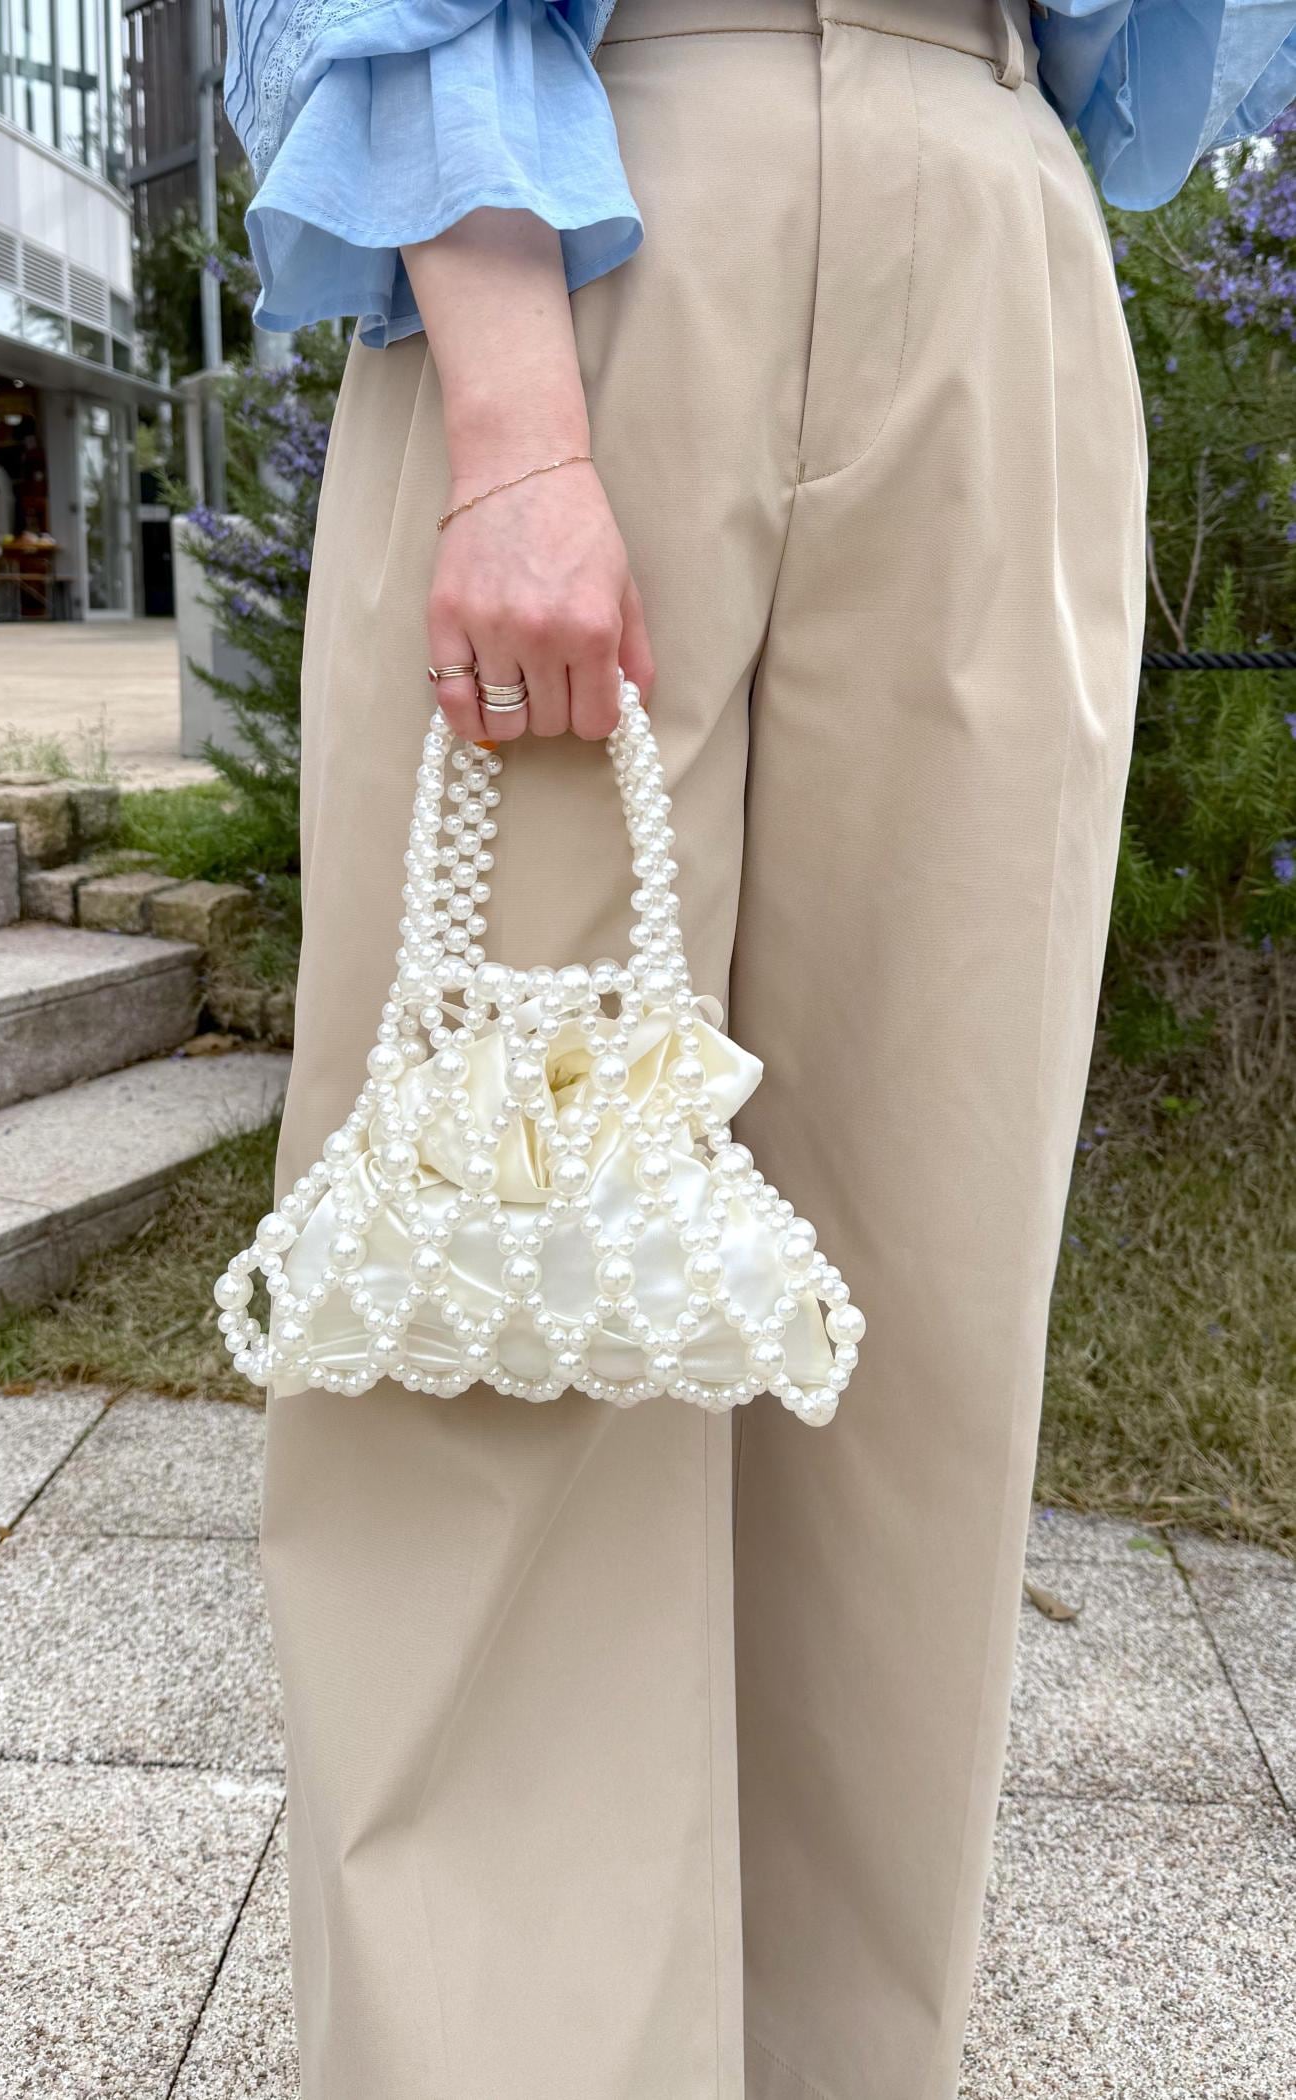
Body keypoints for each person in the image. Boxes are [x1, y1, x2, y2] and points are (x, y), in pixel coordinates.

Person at [221, 2, 1296, 2094]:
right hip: (591, 213)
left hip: (993, 219)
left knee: (909, 1339)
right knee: (503, 1290)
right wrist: (515, 427)